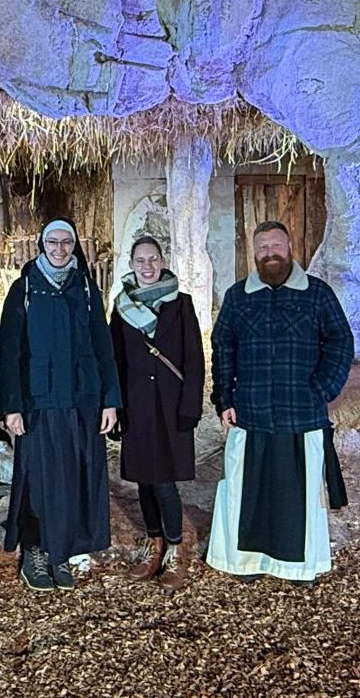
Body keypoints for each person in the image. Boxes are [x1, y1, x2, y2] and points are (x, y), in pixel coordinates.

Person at [207, 221, 354, 585]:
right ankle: (247, 562)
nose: (269, 253)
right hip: (251, 410)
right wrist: (224, 397)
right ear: (253, 253)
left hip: (301, 412)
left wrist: (322, 387)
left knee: (297, 494)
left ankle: (298, 567)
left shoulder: (317, 294)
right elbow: (223, 348)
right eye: (262, 247)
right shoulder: (238, 297)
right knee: (249, 490)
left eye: (276, 245)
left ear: (289, 248)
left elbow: (340, 341)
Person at [0, 219, 121, 592]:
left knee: (74, 477)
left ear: (73, 246)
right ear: (42, 244)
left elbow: (103, 346)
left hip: (82, 399)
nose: (59, 249)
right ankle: (35, 552)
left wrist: (110, 400)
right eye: (52, 242)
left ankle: (61, 552)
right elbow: (9, 352)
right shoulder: (24, 289)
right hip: (40, 401)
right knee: (38, 479)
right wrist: (12, 406)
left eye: (66, 242)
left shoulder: (85, 288)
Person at [109, 235, 204, 592]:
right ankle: (155, 546)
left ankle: (175, 551)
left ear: (162, 261)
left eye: (153, 259)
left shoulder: (181, 304)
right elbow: (115, 361)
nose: (147, 266)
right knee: (143, 480)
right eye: (140, 260)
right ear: (131, 264)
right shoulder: (121, 308)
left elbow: (194, 359)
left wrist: (190, 407)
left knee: (164, 480)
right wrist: (115, 408)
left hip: (171, 405)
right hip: (136, 406)